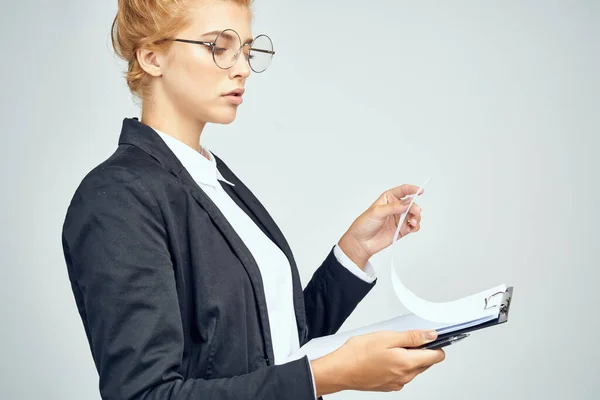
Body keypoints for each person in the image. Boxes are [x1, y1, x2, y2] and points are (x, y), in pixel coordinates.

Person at [60, 0, 446, 399]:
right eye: (219, 46)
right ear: (152, 56)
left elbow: (276, 350)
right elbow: (144, 394)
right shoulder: (118, 197)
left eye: (246, 49)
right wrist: (328, 377)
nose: (242, 67)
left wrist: (355, 250)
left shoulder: (215, 178)